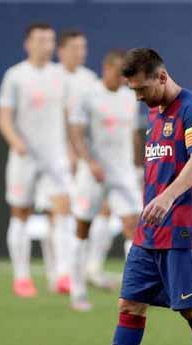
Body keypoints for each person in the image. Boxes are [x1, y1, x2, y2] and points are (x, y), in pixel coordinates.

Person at [64, 48, 192, 345]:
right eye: (132, 91)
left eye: (141, 89)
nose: (136, 97)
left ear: (162, 77)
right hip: (149, 232)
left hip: (183, 228)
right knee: (130, 303)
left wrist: (167, 198)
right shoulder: (154, 112)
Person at [0, 23, 73, 298]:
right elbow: (4, 116)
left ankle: (62, 274)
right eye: (40, 40)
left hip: (55, 155)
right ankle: (22, 277)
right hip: (25, 156)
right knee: (21, 214)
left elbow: (68, 116)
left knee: (62, 211)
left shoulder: (61, 76)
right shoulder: (15, 76)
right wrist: (15, 142)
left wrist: (72, 150)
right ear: (28, 43)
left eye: (50, 40)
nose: (46, 46)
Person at [67, 49, 143, 312]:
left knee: (133, 227)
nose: (124, 77)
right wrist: (89, 161)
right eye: (120, 71)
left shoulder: (129, 97)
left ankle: (135, 291)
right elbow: (76, 133)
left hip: (123, 172)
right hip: (94, 174)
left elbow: (133, 134)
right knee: (82, 228)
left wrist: (138, 167)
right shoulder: (88, 96)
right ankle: (77, 290)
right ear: (107, 68)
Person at [35, 28, 98, 294]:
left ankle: (76, 269)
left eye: (82, 47)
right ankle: (58, 272)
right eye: (74, 47)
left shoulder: (90, 80)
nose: (79, 52)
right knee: (56, 211)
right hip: (53, 155)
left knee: (78, 211)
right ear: (61, 51)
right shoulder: (50, 78)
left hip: (82, 155)